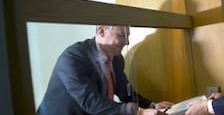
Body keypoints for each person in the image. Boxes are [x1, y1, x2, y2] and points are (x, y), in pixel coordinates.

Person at [37, 25, 173, 115]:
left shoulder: (117, 58)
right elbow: (91, 101)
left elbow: (125, 92)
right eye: (122, 35)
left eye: (128, 35)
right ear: (102, 31)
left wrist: (152, 105)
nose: (127, 42)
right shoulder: (73, 58)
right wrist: (138, 112)